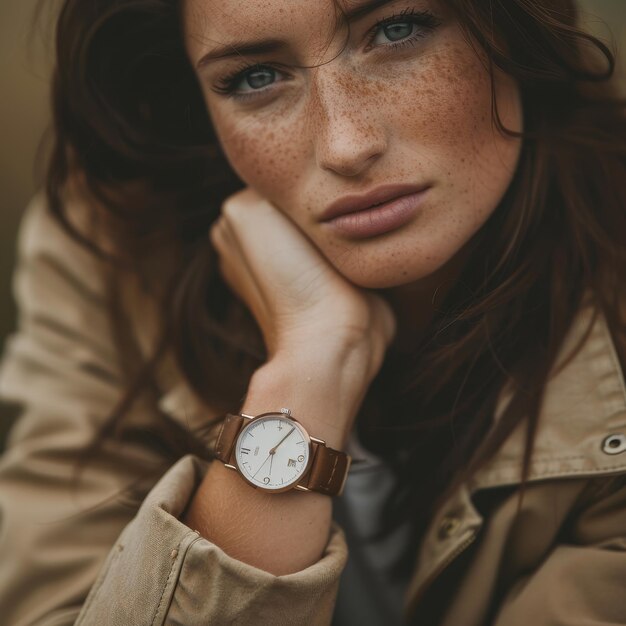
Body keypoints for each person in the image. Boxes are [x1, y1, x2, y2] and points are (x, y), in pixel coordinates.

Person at [0, 0, 625, 624]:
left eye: (397, 31)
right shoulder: (120, 251)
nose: (346, 144)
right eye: (256, 77)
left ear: (510, 23)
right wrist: (312, 364)